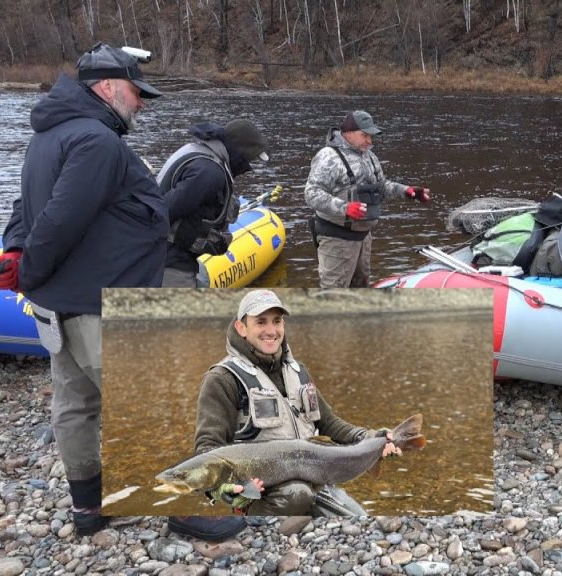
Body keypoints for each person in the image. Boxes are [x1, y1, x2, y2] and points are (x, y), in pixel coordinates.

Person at [0, 43, 168, 536]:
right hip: (98, 302)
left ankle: (88, 508)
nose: (142, 103)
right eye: (136, 91)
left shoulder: (49, 136)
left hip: (63, 304)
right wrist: (29, 271)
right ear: (107, 87)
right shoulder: (96, 142)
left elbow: (24, 211)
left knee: (74, 407)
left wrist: (17, 253)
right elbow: (59, 221)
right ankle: (186, 509)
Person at [168, 289, 400, 539]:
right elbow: (206, 449)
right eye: (261, 322)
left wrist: (372, 437)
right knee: (296, 494)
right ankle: (262, 529)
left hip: (316, 481)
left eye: (277, 321)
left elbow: (330, 424)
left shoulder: (299, 371)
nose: (271, 330)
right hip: (259, 491)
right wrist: (221, 490)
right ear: (241, 327)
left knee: (362, 522)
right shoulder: (221, 379)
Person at [304, 110, 431, 288]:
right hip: (336, 241)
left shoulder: (369, 156)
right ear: (348, 133)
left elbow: (381, 187)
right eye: (365, 135)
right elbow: (311, 193)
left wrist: (407, 191)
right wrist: (345, 208)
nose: (369, 141)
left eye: (371, 136)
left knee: (361, 287)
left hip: (364, 238)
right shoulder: (328, 156)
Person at [158, 119, 270, 287]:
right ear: (241, 153)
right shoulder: (209, 173)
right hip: (169, 259)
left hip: (169, 254)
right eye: (251, 159)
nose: (249, 166)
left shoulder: (201, 151)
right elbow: (162, 211)